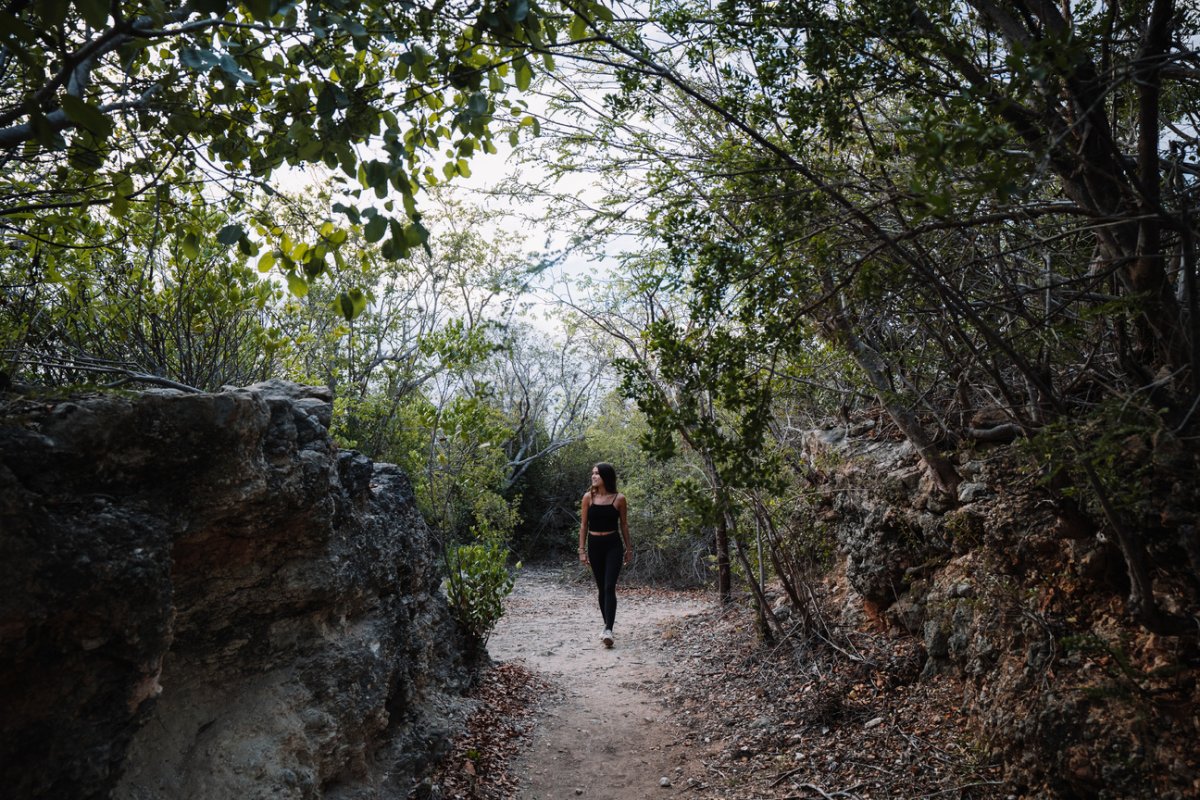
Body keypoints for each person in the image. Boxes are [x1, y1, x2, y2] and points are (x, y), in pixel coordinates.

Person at [578, 462, 633, 648]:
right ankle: (606, 626)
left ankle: (608, 629)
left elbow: (624, 525)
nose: (593, 477)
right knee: (601, 588)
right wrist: (581, 550)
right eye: (592, 473)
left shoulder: (619, 499)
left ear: (606, 477)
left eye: (597, 474)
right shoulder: (588, 498)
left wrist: (629, 548)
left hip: (613, 545)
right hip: (594, 545)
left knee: (610, 586)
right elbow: (583, 525)